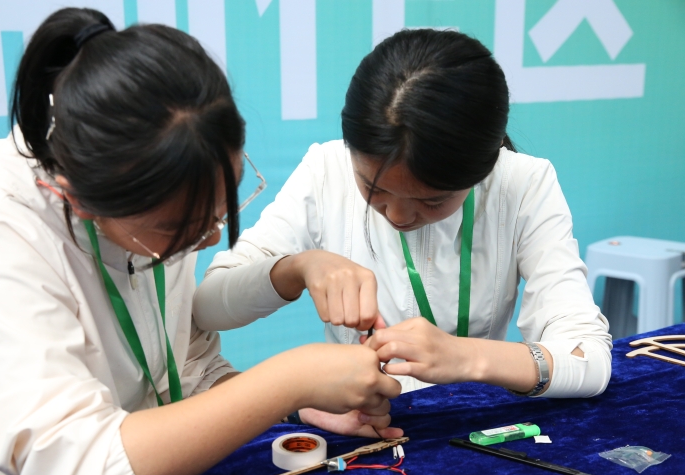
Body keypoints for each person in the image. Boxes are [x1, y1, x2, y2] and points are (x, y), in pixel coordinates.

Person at [0, 8, 401, 475]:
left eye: (219, 209)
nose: (210, 237)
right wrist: (287, 381)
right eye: (177, 227)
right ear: (77, 199)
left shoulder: (151, 200)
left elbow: (183, 370)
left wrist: (296, 407)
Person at [194, 29, 612, 429]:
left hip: (473, 426)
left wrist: (466, 357)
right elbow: (208, 306)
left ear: (483, 169)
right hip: (362, 425)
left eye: (432, 201)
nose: (397, 215)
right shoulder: (326, 170)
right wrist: (296, 268)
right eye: (373, 188)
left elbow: (589, 359)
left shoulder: (523, 183)